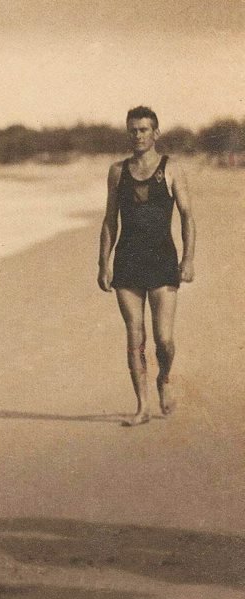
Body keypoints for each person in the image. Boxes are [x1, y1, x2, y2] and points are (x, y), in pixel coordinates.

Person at [98, 106, 195, 426]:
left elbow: (187, 217)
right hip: (127, 261)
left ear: (156, 133)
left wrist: (188, 259)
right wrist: (103, 262)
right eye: (133, 130)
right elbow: (110, 219)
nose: (138, 135)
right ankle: (142, 407)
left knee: (163, 339)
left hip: (163, 260)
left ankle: (164, 378)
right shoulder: (117, 171)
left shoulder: (171, 169)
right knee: (135, 337)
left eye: (143, 129)